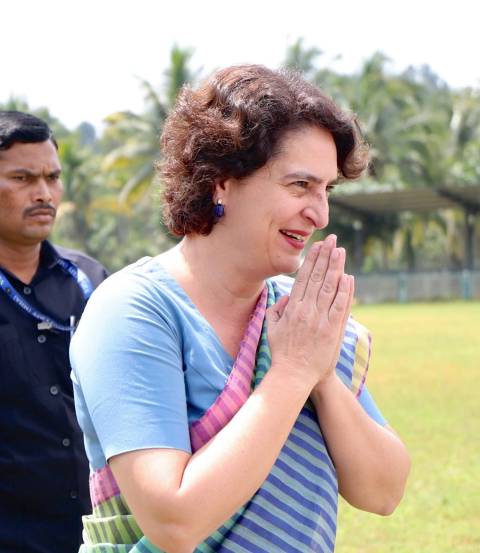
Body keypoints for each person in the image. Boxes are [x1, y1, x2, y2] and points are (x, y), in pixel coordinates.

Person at [70, 65, 410, 553]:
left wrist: (320, 374)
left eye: (326, 190)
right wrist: (291, 372)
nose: (320, 213)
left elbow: (383, 491)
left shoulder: (294, 316)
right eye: (299, 186)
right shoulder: (133, 312)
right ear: (221, 182)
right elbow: (174, 521)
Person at [0, 111, 108, 553]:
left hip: (93, 532)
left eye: (52, 177)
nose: (43, 193)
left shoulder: (91, 280)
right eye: (22, 178)